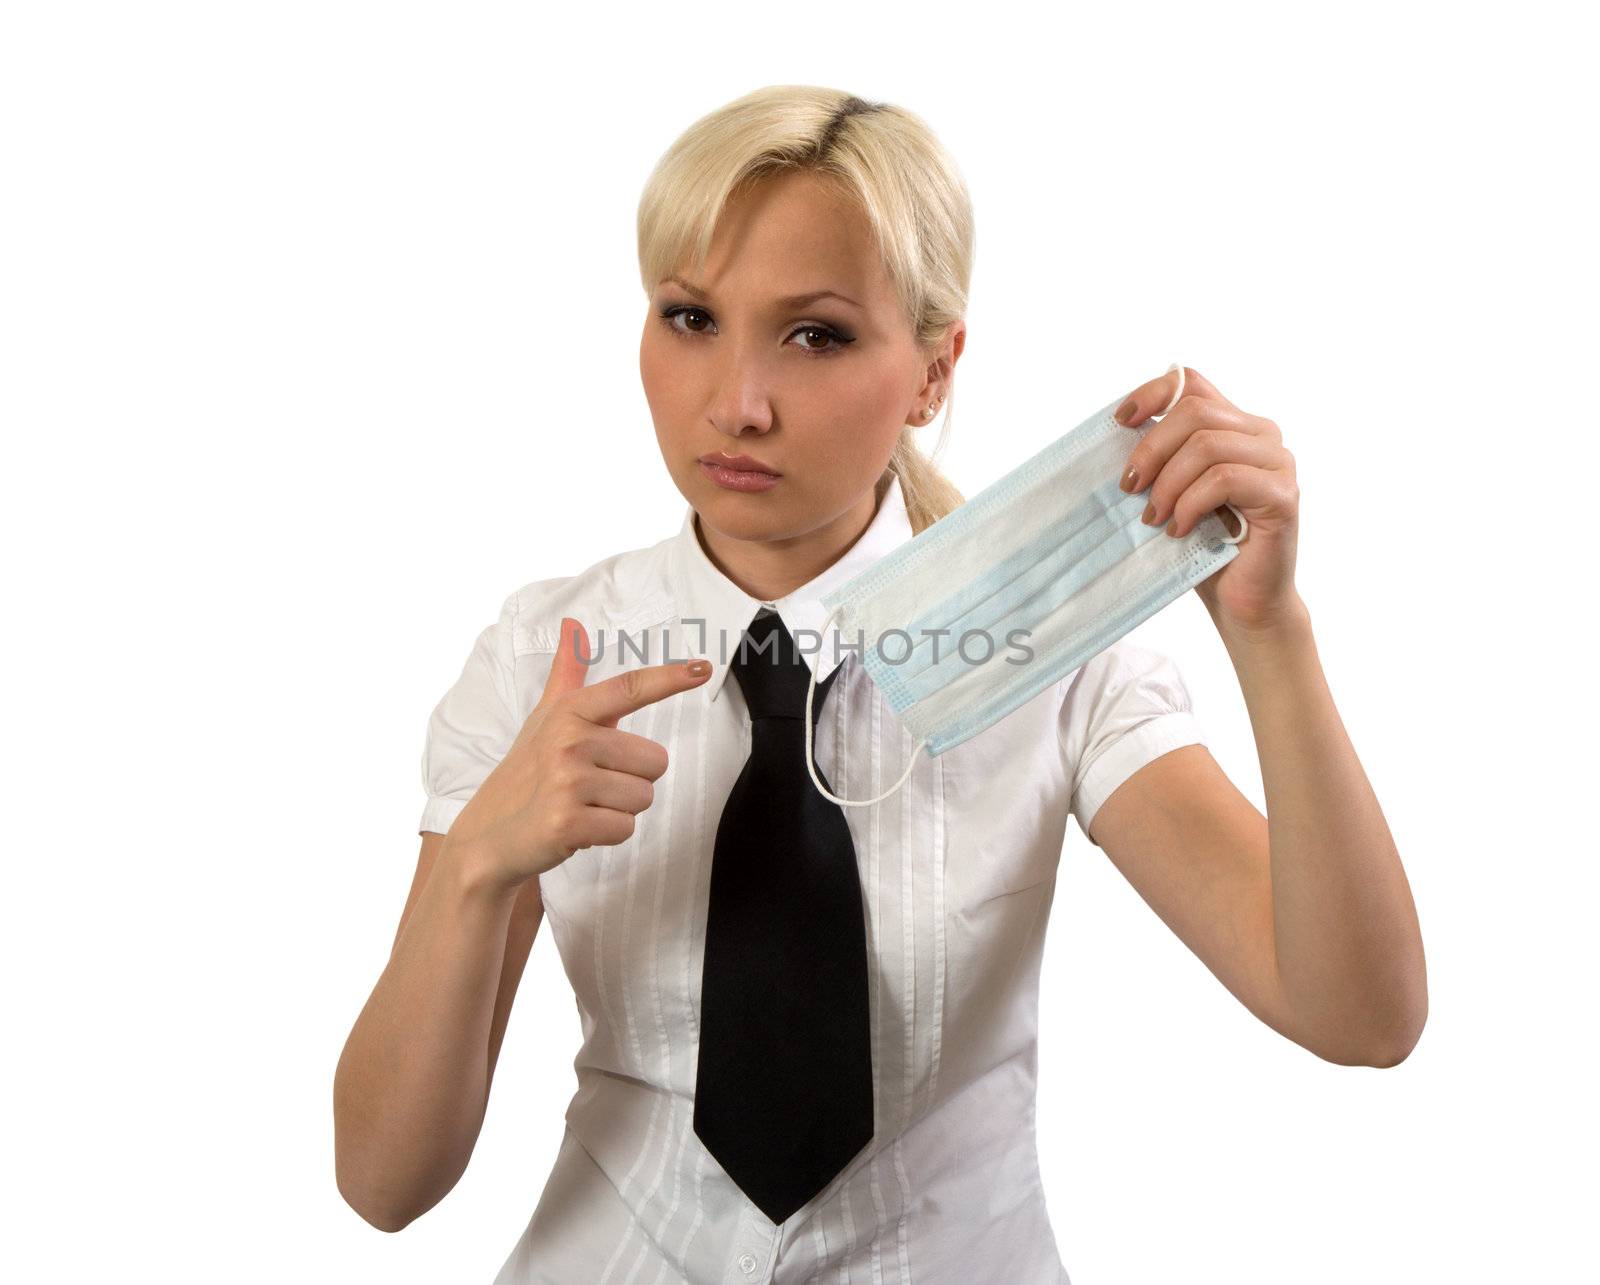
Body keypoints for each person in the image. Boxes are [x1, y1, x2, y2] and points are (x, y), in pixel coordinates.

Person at [333, 85, 1426, 1283]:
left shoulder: (1049, 649)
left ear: (932, 370)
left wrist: (1272, 636)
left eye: (816, 335)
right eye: (690, 316)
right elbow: (385, 1182)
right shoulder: (546, 655)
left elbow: (1358, 1016)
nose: (736, 403)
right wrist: (480, 864)